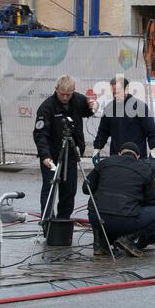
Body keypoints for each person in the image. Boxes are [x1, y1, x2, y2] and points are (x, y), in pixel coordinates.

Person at [83, 142, 155, 257]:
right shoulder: (145, 169)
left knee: (98, 203)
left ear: (119, 153)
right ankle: (128, 239)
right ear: (138, 157)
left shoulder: (104, 163)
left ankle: (100, 244)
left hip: (96, 218)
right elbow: (153, 200)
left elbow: (86, 189)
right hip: (125, 220)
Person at [33, 74, 95, 219]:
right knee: (49, 189)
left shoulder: (78, 99)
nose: (65, 97)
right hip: (52, 154)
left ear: (74, 90)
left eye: (69, 94)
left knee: (69, 190)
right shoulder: (46, 107)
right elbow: (39, 134)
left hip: (71, 152)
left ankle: (63, 221)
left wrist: (91, 107)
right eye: (62, 94)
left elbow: (86, 111)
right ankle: (47, 222)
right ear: (56, 89)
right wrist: (45, 155)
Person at [92, 76, 155, 165]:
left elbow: (151, 131)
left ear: (126, 89)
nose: (115, 96)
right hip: (116, 158)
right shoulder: (109, 108)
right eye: (114, 93)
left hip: (137, 159)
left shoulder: (140, 107)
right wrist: (97, 149)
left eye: (118, 93)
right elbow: (103, 132)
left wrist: (154, 150)